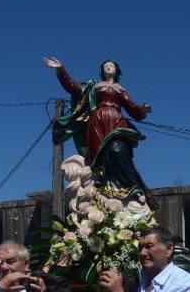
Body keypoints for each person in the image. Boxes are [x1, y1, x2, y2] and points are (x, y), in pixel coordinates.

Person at [44, 56, 153, 205]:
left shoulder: (120, 90)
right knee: (100, 158)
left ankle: (131, 188)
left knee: (119, 151)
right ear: (101, 71)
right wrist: (61, 70)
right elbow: (73, 87)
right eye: (105, 65)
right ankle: (103, 187)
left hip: (117, 122)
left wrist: (142, 109)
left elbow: (132, 108)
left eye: (111, 65)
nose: (108, 67)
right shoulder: (93, 87)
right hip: (98, 123)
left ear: (117, 71)